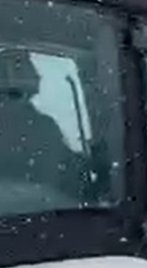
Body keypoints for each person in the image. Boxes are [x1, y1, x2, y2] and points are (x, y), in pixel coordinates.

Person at [0, 48, 86, 207]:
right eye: (26, 68)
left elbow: (67, 166)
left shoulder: (43, 125)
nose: (38, 75)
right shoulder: (41, 127)